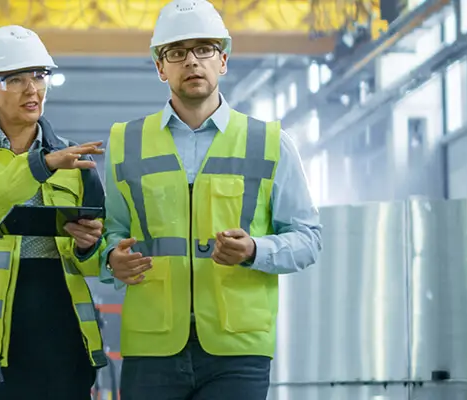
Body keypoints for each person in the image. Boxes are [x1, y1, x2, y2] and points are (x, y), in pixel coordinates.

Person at [95, 1, 323, 399]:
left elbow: (308, 238)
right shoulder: (125, 142)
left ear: (223, 61)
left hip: (237, 349)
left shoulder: (269, 142)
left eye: (204, 49)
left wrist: (255, 249)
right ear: (160, 67)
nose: (192, 61)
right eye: (177, 52)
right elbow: (111, 231)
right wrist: (112, 258)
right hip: (152, 346)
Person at [0, 25, 111, 400]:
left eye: (40, 76)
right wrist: (40, 165)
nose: (33, 89)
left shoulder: (76, 161)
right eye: (15, 79)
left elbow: (95, 261)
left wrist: (88, 247)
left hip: (61, 335)